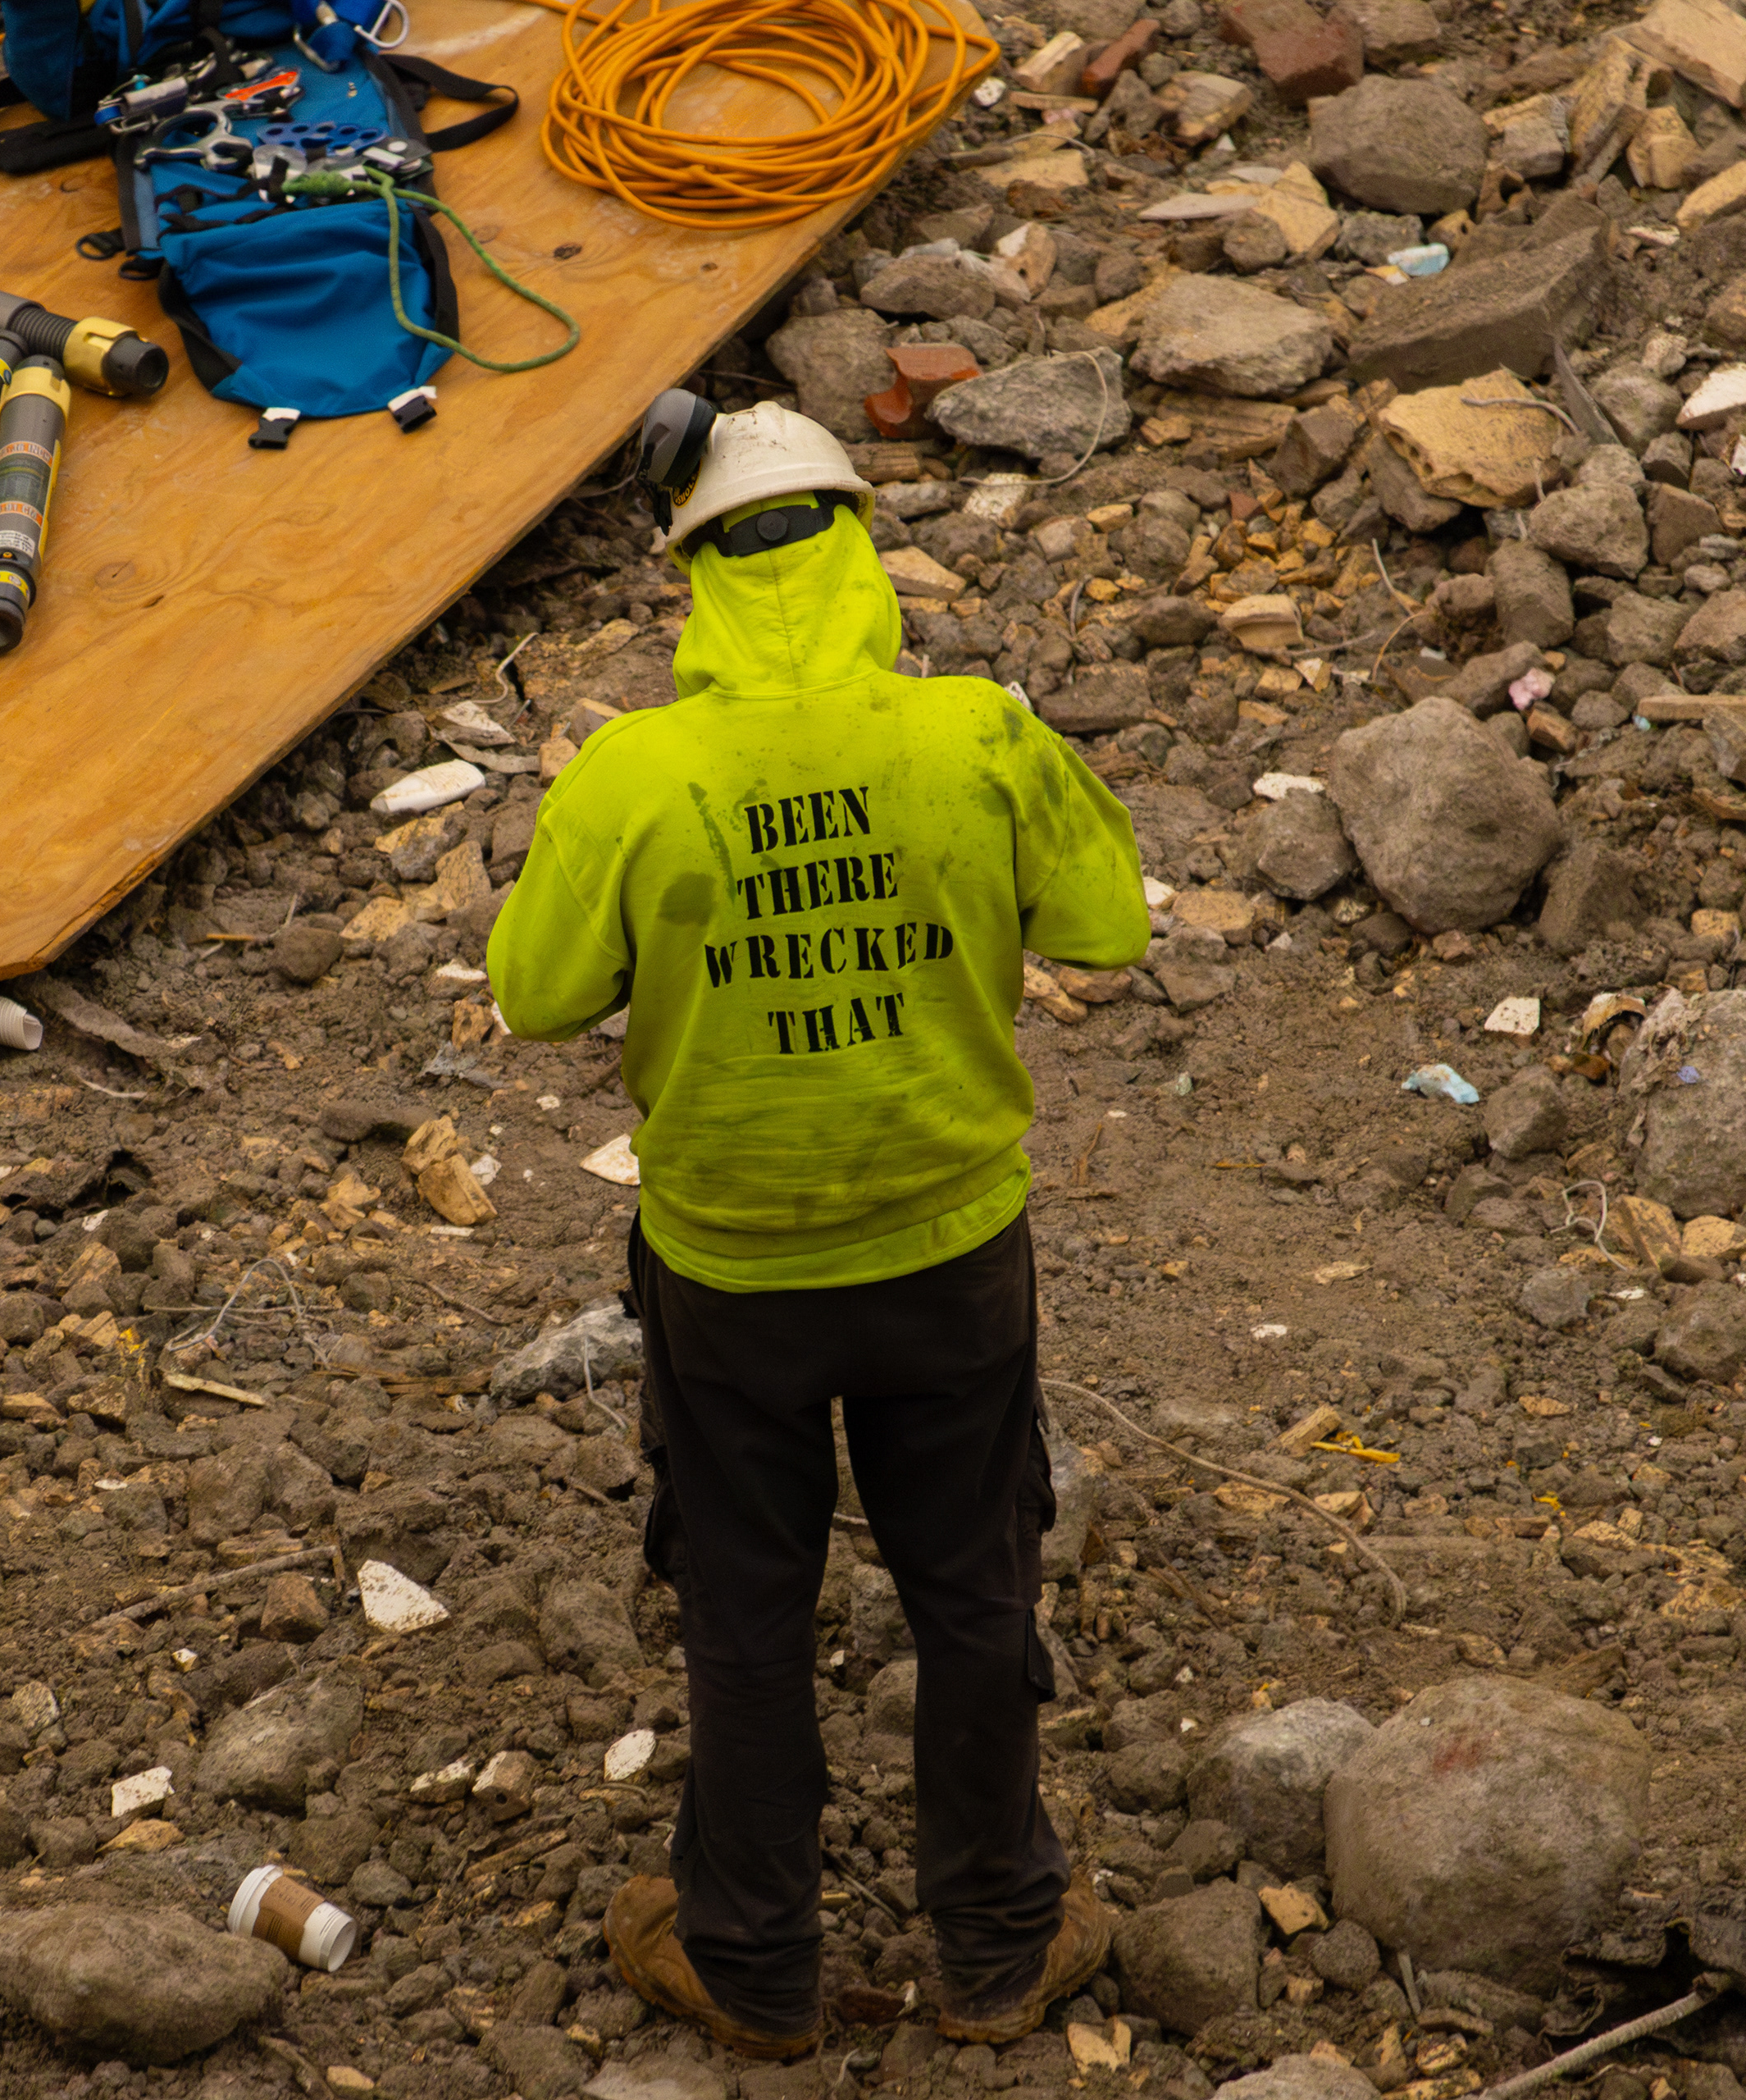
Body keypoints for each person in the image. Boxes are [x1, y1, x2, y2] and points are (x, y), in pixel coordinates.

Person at [485, 395, 1156, 2058]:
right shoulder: (976, 737)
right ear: (860, 553)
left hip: (735, 1278)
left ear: (693, 576)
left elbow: (534, 992)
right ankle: (1002, 1942)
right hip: (951, 1259)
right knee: (976, 1586)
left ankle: (754, 1964)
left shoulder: (637, 774)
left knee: (747, 1602)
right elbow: (1113, 924)